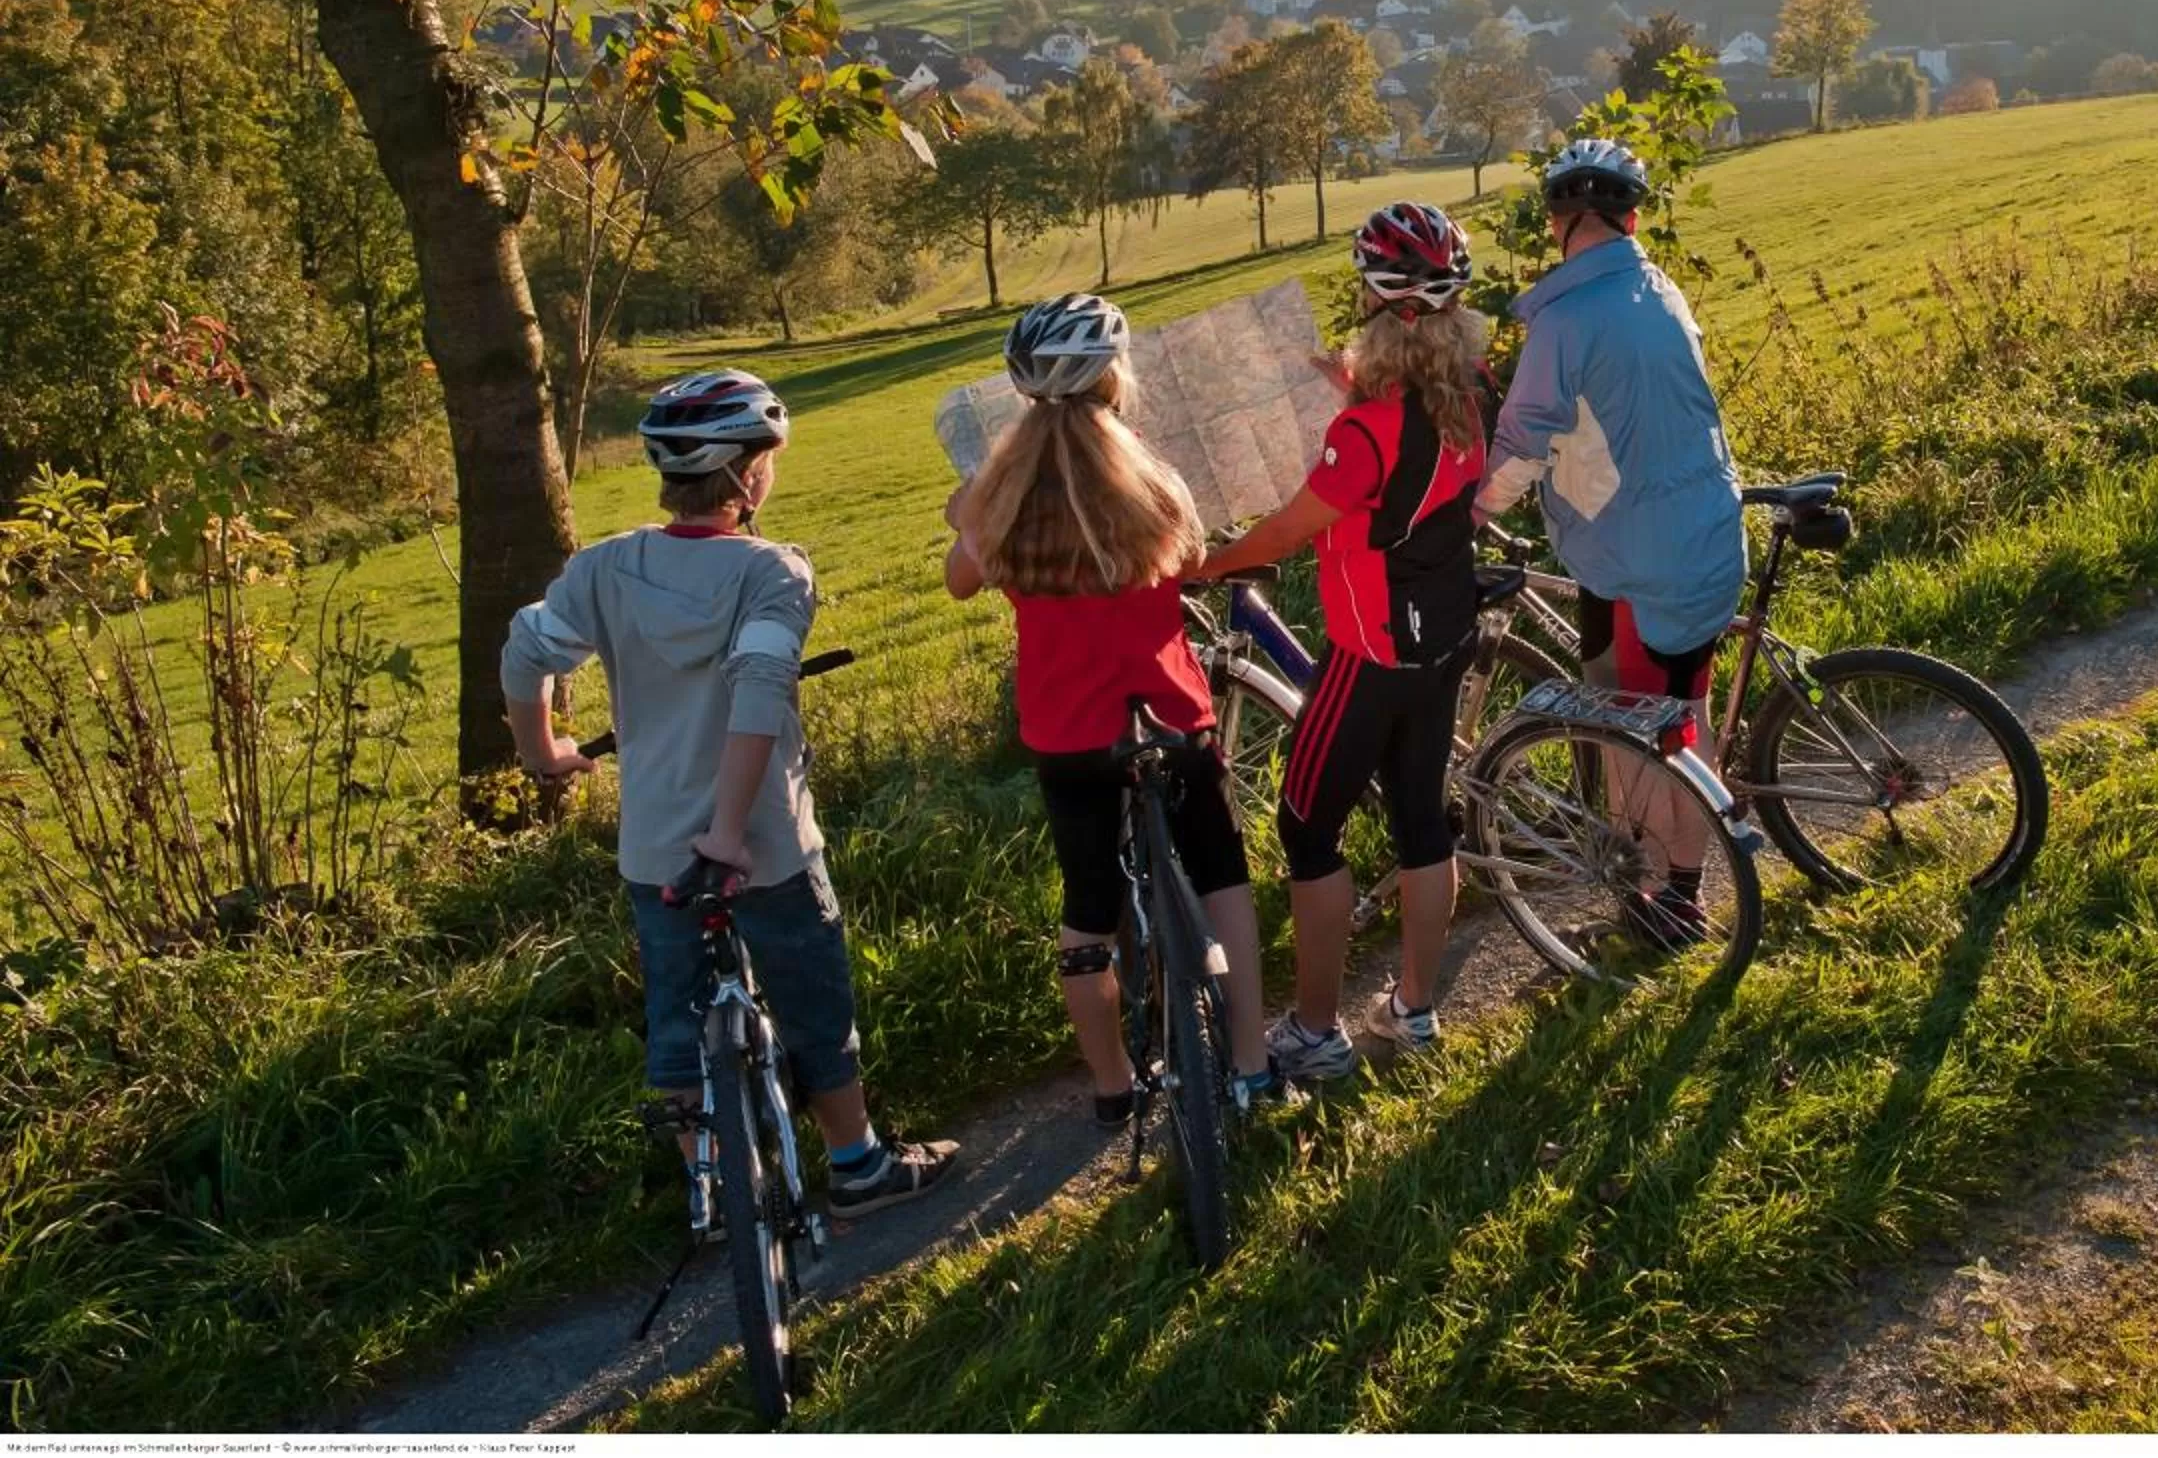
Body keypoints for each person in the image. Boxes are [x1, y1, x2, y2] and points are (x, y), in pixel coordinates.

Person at [502, 368, 958, 1226]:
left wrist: (546, 754)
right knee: (810, 990)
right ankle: (856, 1165)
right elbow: (757, 690)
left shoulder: (604, 570)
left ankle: (714, 1191)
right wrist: (731, 832)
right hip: (765, 842)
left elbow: (525, 654)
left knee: (676, 1013)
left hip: (656, 846)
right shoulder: (771, 573)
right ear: (749, 477)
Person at [942, 294, 1286, 1122]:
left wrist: (966, 522)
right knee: (1224, 877)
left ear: (1024, 393)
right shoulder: (1154, 482)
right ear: (1115, 379)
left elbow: (960, 582)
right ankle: (1250, 1059)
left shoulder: (999, 500)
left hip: (1068, 733)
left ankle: (1107, 1087)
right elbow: (1194, 556)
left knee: (1086, 907)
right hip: (1169, 712)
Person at [1196, 202, 1489, 1080]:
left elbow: (1288, 531)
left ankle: (1316, 1034)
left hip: (1367, 657)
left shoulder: (1361, 434)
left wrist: (1205, 566)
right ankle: (1414, 1009)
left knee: (1305, 827)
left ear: (1369, 296)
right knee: (1418, 820)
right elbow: (1414, 445)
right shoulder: (1472, 395)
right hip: (1442, 640)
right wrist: (1355, 390)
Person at [1476, 137, 1747, 946]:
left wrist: (1469, 514)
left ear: (1559, 220)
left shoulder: (1566, 317)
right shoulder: (1661, 291)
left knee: (1633, 738)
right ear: (1630, 217)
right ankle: (1679, 887)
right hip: (1702, 535)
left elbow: (1525, 440)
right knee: (1684, 719)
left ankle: (1668, 903)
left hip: (1634, 559)